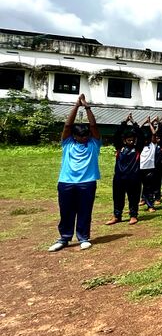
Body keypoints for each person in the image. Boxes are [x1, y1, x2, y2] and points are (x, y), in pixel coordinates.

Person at [49, 94, 101, 252]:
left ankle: (84, 237)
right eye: (81, 136)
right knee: (66, 211)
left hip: (87, 182)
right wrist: (76, 105)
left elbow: (93, 126)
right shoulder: (67, 143)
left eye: (86, 135)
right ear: (74, 136)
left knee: (85, 210)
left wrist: (87, 106)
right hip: (66, 182)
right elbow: (67, 126)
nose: (84, 138)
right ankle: (64, 238)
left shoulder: (94, 143)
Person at [106, 113, 145, 226]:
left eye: (133, 140)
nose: (131, 142)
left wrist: (133, 123)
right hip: (119, 177)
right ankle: (117, 216)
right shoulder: (120, 148)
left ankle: (133, 215)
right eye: (129, 140)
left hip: (134, 177)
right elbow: (117, 134)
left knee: (133, 197)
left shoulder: (137, 149)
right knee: (118, 197)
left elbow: (141, 136)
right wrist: (124, 122)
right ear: (124, 140)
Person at [139, 117, 160, 213]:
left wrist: (150, 123)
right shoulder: (138, 146)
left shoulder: (152, 145)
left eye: (147, 139)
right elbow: (137, 130)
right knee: (138, 188)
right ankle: (141, 200)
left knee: (149, 189)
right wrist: (144, 122)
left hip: (150, 169)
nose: (146, 141)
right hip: (139, 169)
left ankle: (150, 206)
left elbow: (154, 134)